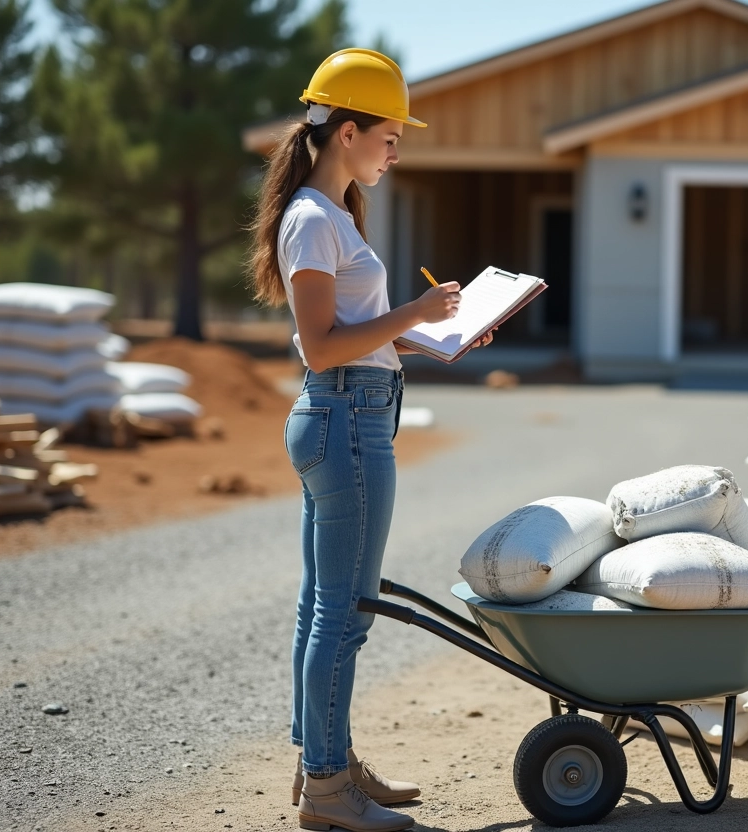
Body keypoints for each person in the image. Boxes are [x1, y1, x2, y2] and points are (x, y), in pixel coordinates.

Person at [247, 48, 488, 832]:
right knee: (343, 612)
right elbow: (319, 345)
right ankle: (327, 787)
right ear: (347, 131)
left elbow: (354, 335)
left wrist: (435, 339)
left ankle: (326, 762)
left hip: (347, 412)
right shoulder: (316, 220)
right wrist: (416, 314)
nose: (396, 149)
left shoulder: (329, 216)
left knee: (326, 607)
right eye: (390, 134)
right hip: (346, 420)